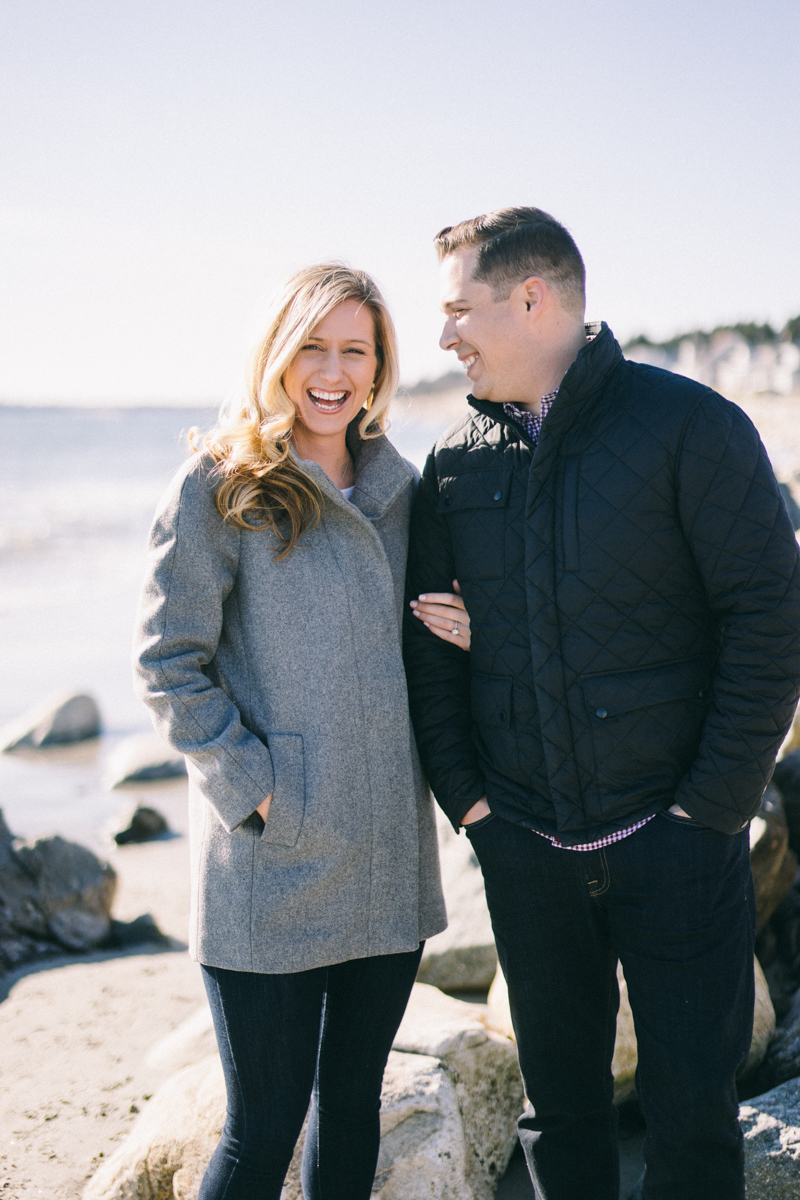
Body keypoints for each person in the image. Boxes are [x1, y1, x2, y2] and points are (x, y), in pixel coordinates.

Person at [403, 207, 800, 1200]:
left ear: (531, 299)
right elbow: (430, 655)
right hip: (527, 854)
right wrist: (477, 812)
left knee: (691, 1123)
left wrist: (703, 815)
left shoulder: (688, 428)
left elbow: (769, 621)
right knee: (560, 1121)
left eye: (458, 309)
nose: (443, 335)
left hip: (677, 850)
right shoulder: (451, 466)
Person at [132, 263, 469, 1200]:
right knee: (263, 1126)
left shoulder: (405, 491)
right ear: (277, 357)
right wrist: (259, 789)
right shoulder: (219, 486)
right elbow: (166, 662)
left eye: (353, 349)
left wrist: (474, 629)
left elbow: (433, 638)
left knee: (353, 1105)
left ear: (378, 367)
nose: (332, 370)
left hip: (384, 858)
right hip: (269, 866)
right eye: (312, 346)